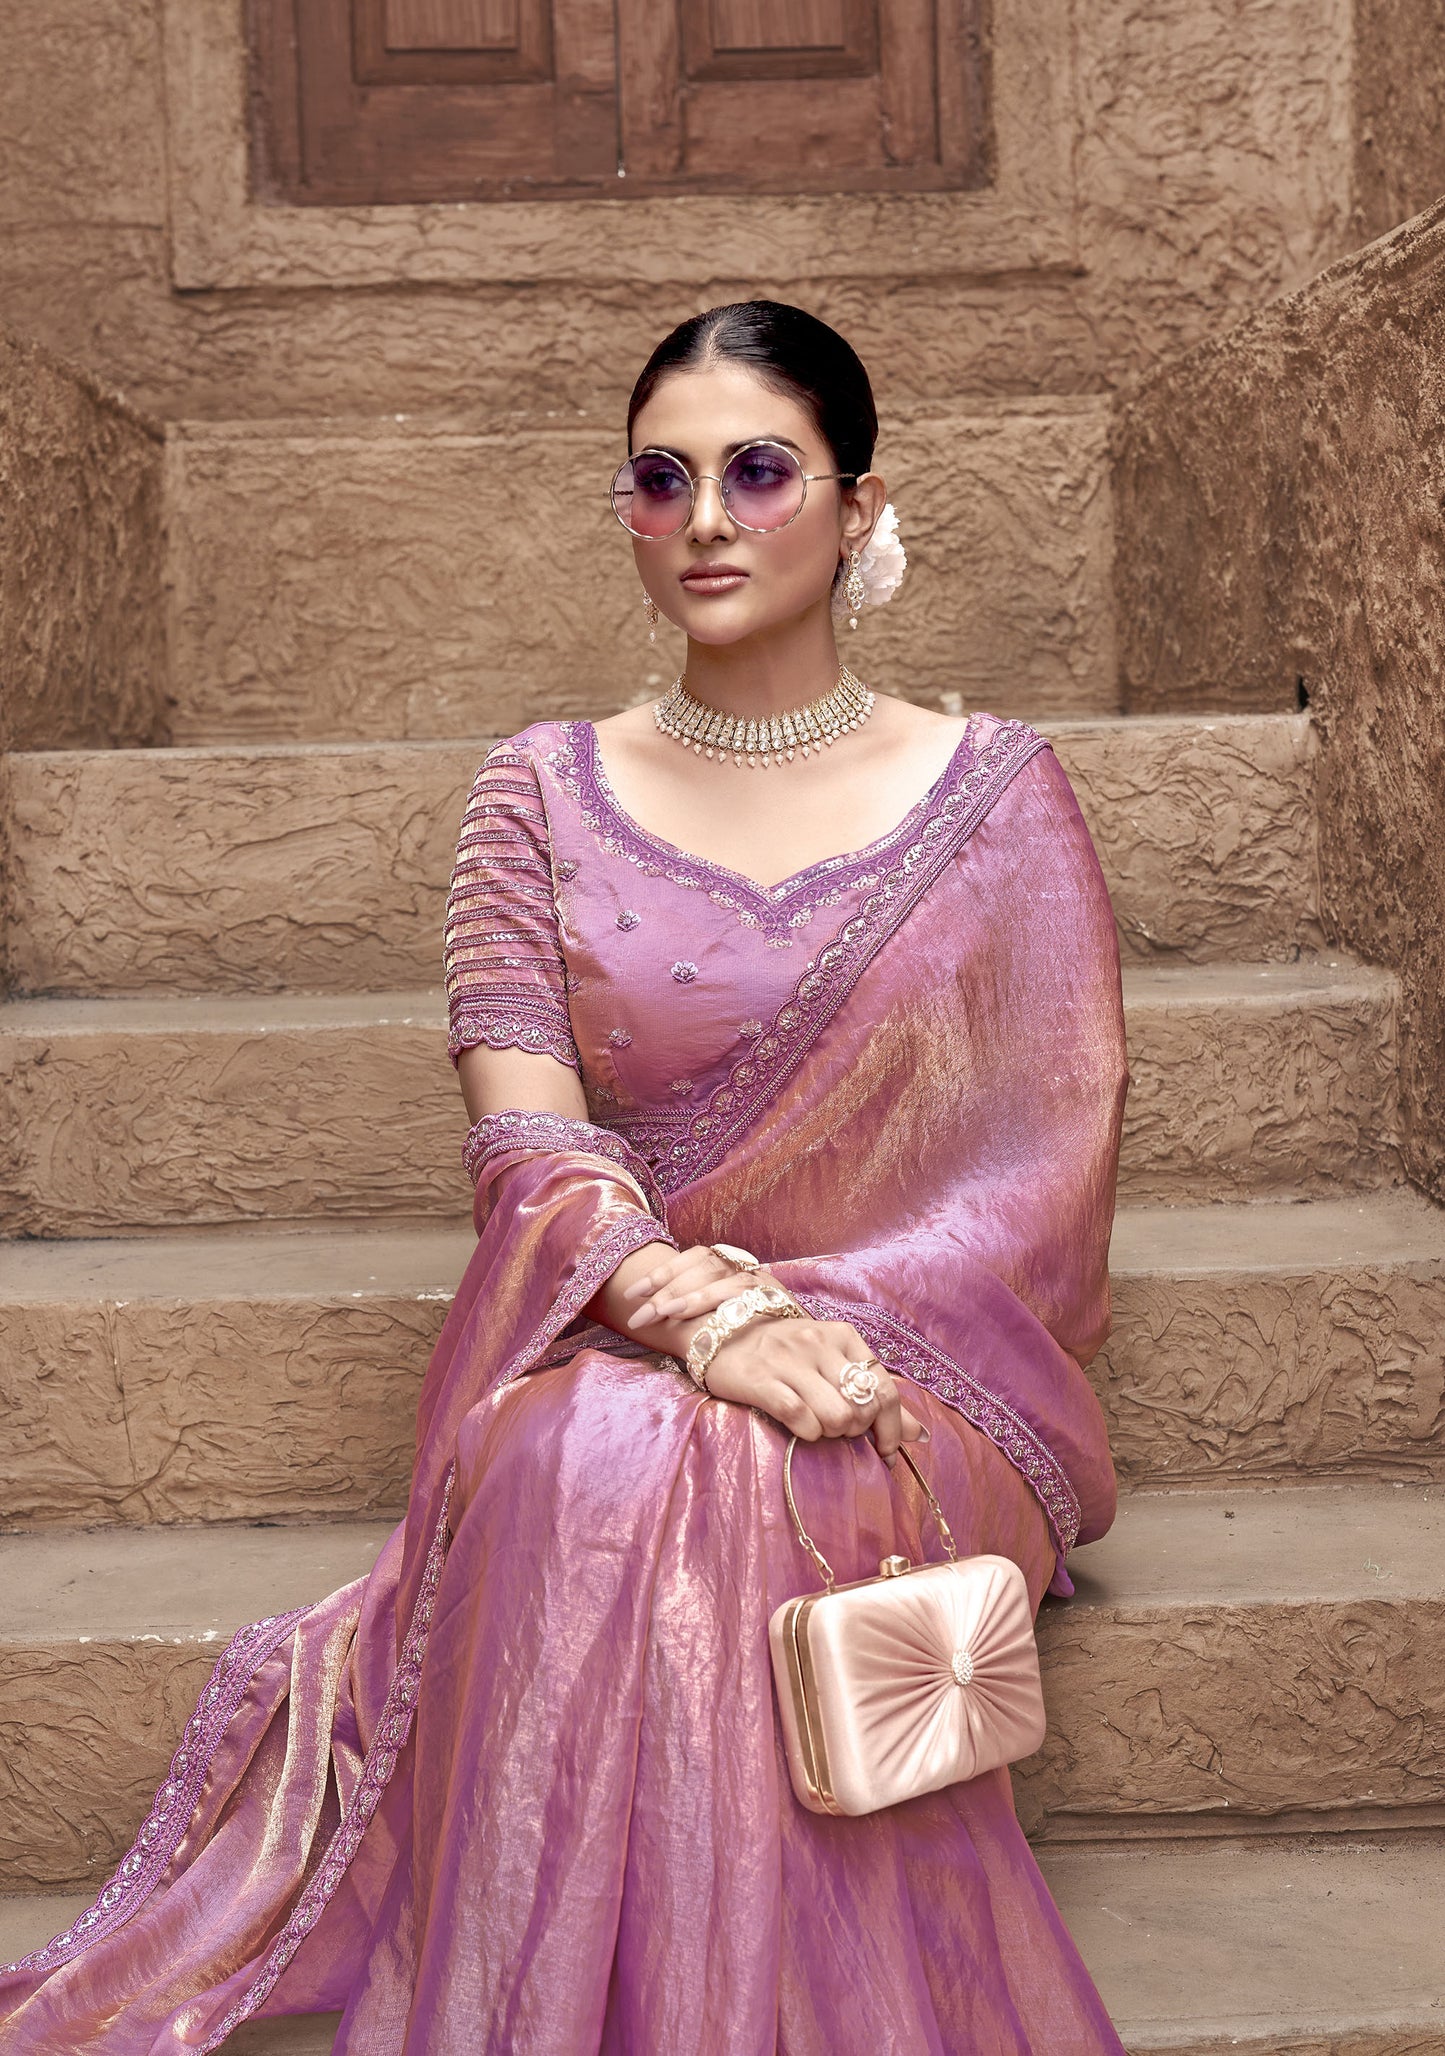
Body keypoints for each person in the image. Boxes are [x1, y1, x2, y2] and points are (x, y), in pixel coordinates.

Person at [0, 300, 1129, 2053]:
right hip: (632, 1328)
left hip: (925, 1375)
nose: (705, 519)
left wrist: (811, 1337)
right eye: (659, 480)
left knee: (734, 1471)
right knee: (602, 1452)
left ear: (856, 503)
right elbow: (524, 1136)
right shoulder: (536, 791)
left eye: (759, 473)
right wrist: (703, 1320)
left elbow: (1036, 1181)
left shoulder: (995, 796)